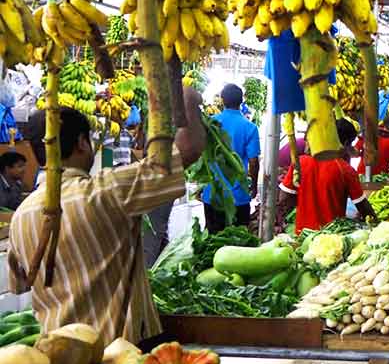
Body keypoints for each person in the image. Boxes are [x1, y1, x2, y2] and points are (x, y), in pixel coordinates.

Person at [8, 91, 206, 346]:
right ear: (81, 142)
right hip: (116, 352)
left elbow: (20, 284)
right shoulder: (106, 192)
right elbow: (188, 149)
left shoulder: (20, 216)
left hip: (56, 356)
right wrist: (186, 96)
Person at [279, 118, 376, 232]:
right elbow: (362, 206)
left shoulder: (300, 163)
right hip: (331, 237)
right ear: (345, 143)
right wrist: (376, 222)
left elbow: (284, 198)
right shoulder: (346, 170)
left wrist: (304, 205)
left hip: (302, 235)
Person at [202, 84, 260, 232]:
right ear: (242, 101)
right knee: (238, 243)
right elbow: (254, 162)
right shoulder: (250, 127)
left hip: (213, 194)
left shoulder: (210, 123)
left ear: (222, 100)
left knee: (212, 241)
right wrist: (253, 185)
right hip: (238, 195)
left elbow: (202, 155)